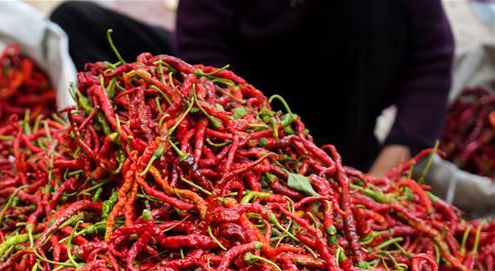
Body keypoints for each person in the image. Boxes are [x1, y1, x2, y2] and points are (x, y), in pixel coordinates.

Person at [50, 0, 455, 176]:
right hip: (235, 112)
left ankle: (323, 164)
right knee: (77, 22)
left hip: (335, 128)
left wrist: (396, 158)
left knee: (364, 9)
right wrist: (240, 140)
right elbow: (201, 56)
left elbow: (432, 57)